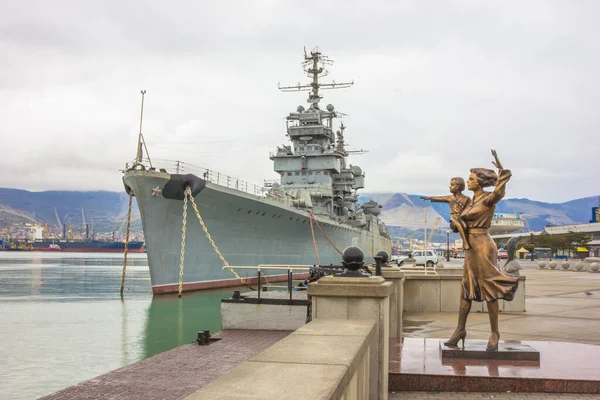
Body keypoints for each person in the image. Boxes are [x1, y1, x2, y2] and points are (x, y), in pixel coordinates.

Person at [444, 150, 519, 351]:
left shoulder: (487, 199)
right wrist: (454, 223)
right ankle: (460, 329)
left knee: (489, 288)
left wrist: (501, 170)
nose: (467, 182)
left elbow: (499, 192)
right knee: (466, 289)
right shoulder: (470, 202)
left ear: (479, 182)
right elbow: (462, 222)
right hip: (470, 247)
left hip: (484, 245)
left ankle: (494, 332)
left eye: (470, 179)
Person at [421, 177, 471, 249]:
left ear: (457, 187)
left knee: (465, 226)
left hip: (462, 217)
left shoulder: (467, 199)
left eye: (452, 185)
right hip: (453, 218)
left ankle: (465, 242)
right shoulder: (450, 198)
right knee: (458, 224)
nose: (449, 186)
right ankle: (465, 242)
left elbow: (470, 208)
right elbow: (440, 198)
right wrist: (429, 198)